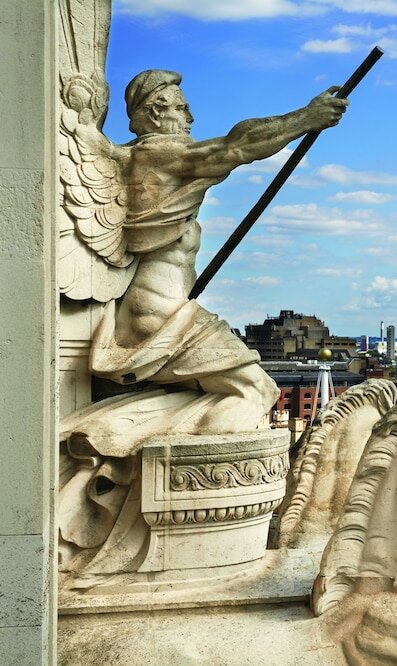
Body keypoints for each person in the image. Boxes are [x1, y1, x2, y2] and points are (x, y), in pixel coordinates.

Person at [58, 70, 349, 574]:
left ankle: (130, 451)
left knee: (246, 391)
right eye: (178, 106)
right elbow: (234, 147)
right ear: (152, 114)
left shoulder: (147, 164)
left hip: (167, 310)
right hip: (160, 318)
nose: (189, 117)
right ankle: (154, 500)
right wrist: (306, 117)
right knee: (254, 391)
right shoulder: (154, 156)